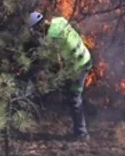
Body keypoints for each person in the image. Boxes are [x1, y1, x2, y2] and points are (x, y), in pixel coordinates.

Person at [25, 11, 92, 141]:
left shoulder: (51, 38)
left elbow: (57, 64)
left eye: (35, 30)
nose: (36, 33)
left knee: (74, 98)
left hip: (79, 66)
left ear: (39, 27)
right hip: (85, 56)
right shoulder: (59, 20)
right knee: (69, 89)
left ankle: (82, 134)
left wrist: (45, 74)